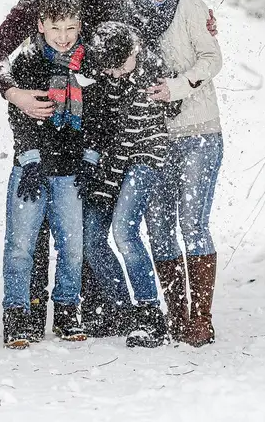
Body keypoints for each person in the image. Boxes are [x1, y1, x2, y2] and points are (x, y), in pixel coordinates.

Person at [0, 0, 217, 339]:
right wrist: (12, 91)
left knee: (86, 228)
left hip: (100, 127)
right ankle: (29, 315)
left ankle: (94, 310)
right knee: (36, 228)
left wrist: (199, 13)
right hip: (48, 121)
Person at [124, 0, 224, 347]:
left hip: (199, 131)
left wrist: (177, 87)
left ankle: (201, 317)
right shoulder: (128, 11)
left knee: (193, 224)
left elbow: (212, 58)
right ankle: (177, 315)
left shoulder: (191, 6)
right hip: (152, 137)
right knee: (159, 228)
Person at [0, 0, 94, 349]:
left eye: (71, 27)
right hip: (32, 168)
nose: (63, 36)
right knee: (21, 246)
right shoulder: (27, 62)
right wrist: (31, 159)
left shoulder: (87, 65)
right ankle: (17, 316)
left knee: (73, 247)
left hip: (70, 171)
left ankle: (68, 311)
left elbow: (96, 117)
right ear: (41, 26)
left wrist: (90, 158)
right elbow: (20, 115)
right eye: (55, 27)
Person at [84, 22, 182, 348]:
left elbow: (175, 102)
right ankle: (124, 309)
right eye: (108, 69)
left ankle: (149, 314)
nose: (115, 74)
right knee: (90, 237)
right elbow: (100, 124)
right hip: (112, 165)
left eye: (119, 65)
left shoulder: (153, 69)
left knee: (124, 231)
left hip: (145, 158)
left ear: (134, 50)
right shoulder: (106, 79)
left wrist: (166, 89)